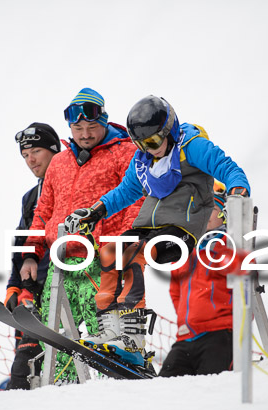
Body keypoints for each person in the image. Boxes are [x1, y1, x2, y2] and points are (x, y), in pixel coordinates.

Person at [66, 95, 250, 367]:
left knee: (135, 256)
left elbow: (227, 167)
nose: (150, 150)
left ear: (169, 130)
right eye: (141, 144)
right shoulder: (143, 160)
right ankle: (113, 330)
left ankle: (133, 339)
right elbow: (126, 191)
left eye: (153, 142)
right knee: (111, 254)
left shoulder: (192, 146)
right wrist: (95, 211)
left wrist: (237, 191)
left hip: (182, 228)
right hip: (149, 226)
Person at [19, 88, 142, 381]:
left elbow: (136, 200)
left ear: (105, 122)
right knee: (59, 336)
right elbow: (43, 210)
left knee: (109, 336)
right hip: (61, 262)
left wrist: (125, 244)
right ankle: (62, 390)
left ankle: (119, 384)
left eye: (91, 127)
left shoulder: (124, 152)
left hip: (104, 260)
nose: (84, 134)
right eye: (77, 128)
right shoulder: (60, 162)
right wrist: (30, 252)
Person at [5, 123, 61, 390]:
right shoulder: (31, 197)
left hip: (69, 286)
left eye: (36, 151)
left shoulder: (74, 185)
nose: (31, 160)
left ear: (54, 150)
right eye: (25, 155)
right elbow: (21, 242)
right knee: (24, 365)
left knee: (59, 365)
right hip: (33, 290)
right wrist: (14, 285)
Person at [159, 186, 235, 377]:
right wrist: (187, 319)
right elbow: (176, 290)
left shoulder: (231, 245)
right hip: (186, 336)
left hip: (219, 334)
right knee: (163, 386)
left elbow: (246, 287)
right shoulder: (187, 251)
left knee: (210, 389)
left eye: (212, 209)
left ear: (225, 214)